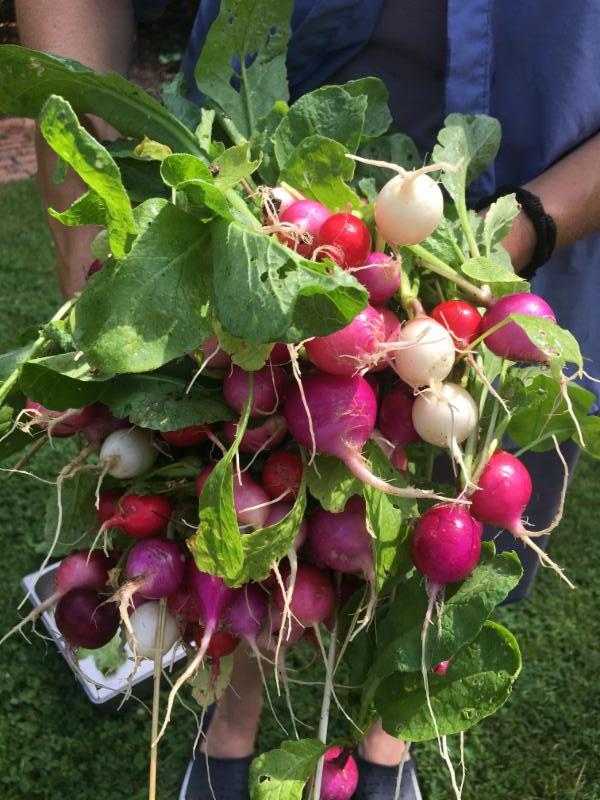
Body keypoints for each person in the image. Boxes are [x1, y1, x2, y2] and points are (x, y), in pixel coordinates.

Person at [14, 1, 600, 798]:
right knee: (244, 497)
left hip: (542, 197)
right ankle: (230, 717)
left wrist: (528, 227)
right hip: (265, 178)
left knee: (438, 525)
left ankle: (388, 738)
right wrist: (89, 197)